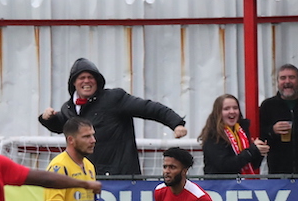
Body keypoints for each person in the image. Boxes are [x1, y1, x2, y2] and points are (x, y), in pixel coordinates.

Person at [38, 57, 188, 176]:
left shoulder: (114, 98)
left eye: (91, 77)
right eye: (81, 77)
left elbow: (148, 108)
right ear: (74, 83)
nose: (86, 81)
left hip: (120, 177)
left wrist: (176, 123)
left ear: (97, 81)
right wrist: (48, 119)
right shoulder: (68, 108)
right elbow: (61, 127)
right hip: (88, 177)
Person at [198, 94, 268, 174]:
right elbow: (225, 166)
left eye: (235, 108)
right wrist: (251, 151)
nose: (232, 111)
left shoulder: (242, 132)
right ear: (218, 112)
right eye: (226, 109)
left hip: (242, 183)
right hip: (219, 185)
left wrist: (259, 152)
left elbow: (252, 165)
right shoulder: (213, 135)